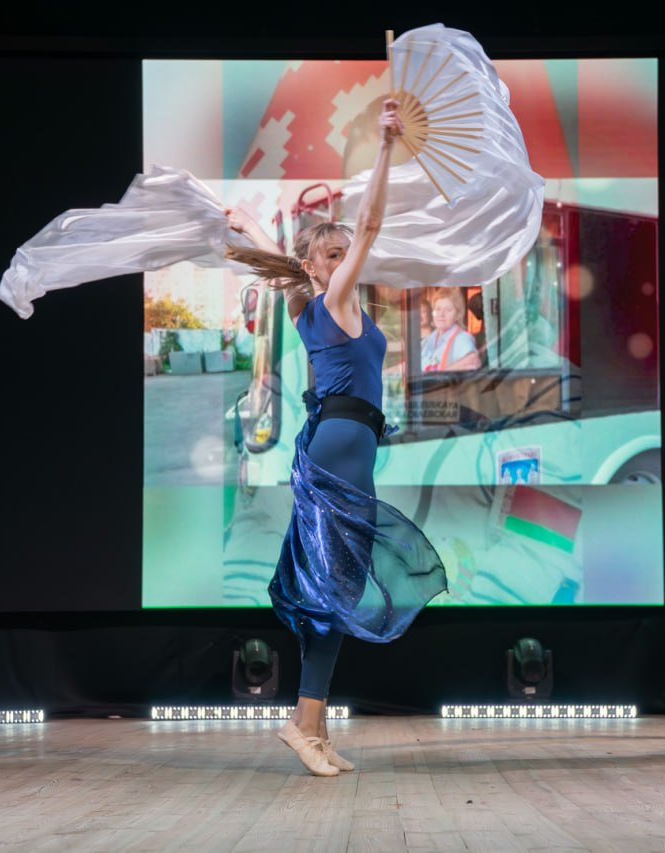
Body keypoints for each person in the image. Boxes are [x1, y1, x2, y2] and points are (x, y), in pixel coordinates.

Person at [224, 99, 447, 777]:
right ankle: (303, 723)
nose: (351, 258)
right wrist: (384, 145)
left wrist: (249, 224)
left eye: (347, 252)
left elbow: (279, 263)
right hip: (340, 449)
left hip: (344, 448)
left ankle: (311, 726)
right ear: (320, 267)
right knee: (334, 590)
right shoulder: (333, 301)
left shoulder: (308, 304)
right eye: (337, 254)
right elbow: (370, 222)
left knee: (336, 589)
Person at [420, 287, 482, 372]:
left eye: (448, 310)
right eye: (437, 309)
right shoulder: (427, 341)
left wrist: (439, 377)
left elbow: (473, 363)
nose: (441, 314)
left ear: (458, 315)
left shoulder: (462, 339)